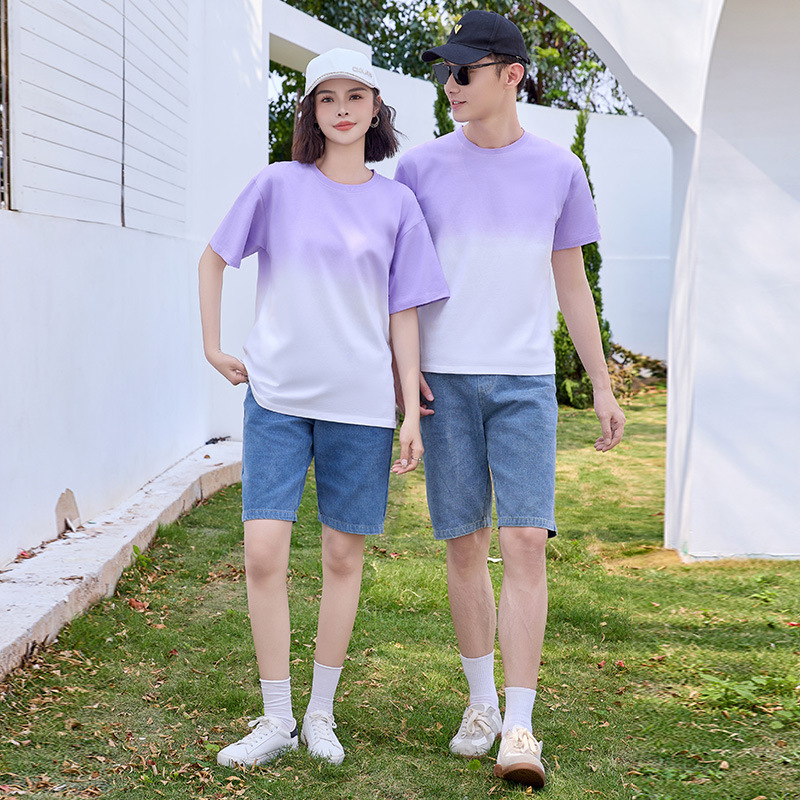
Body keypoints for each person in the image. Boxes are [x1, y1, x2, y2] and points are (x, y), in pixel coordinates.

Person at [394, 10, 626, 789]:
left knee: (525, 542)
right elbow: (400, 286)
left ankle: (520, 725)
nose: (451, 84)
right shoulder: (419, 169)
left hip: (524, 383)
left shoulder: (559, 170)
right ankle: (481, 705)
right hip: (445, 384)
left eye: (464, 71)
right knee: (465, 544)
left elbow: (572, 284)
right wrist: (402, 373)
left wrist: (600, 383)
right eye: (446, 72)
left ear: (511, 75)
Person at [198, 48, 448, 768]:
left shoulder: (397, 205)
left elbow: (404, 310)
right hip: (277, 397)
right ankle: (276, 718)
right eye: (327, 98)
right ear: (310, 110)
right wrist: (213, 347)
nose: (342, 110)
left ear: (375, 109)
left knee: (342, 556)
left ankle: (319, 715)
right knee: (263, 552)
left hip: (360, 406)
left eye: (355, 97)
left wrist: (409, 407)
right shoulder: (277, 184)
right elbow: (214, 258)